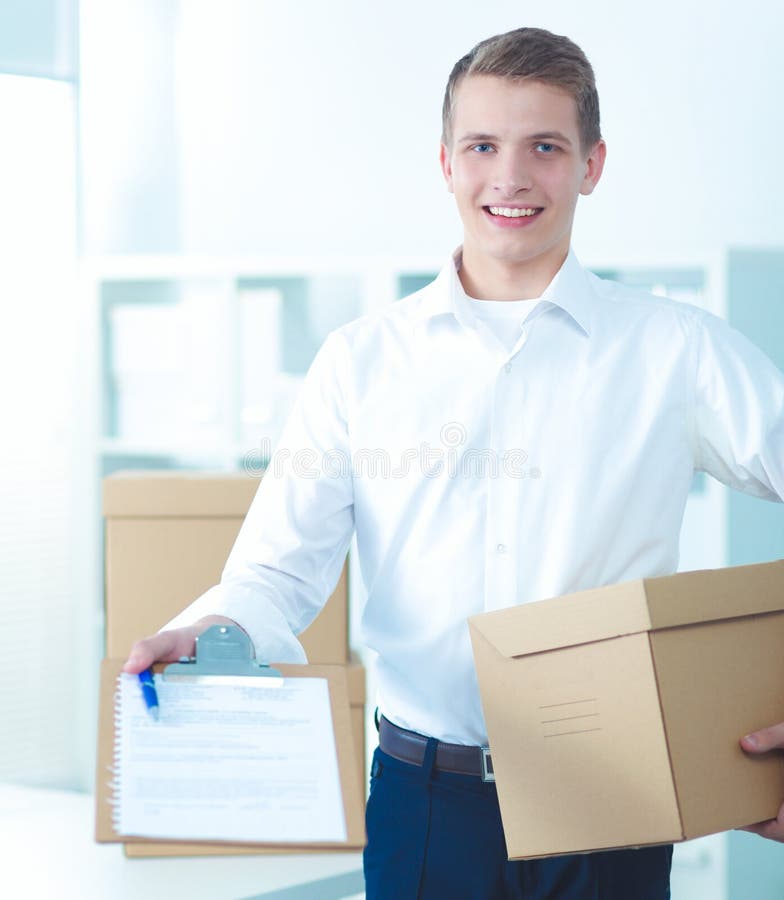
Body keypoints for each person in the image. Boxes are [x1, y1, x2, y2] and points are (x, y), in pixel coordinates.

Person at [124, 26, 784, 900]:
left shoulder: (676, 351)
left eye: (544, 146)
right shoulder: (361, 361)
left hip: (616, 800)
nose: (510, 177)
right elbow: (278, 570)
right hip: (424, 805)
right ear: (446, 163)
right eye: (483, 145)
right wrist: (211, 635)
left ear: (591, 165)